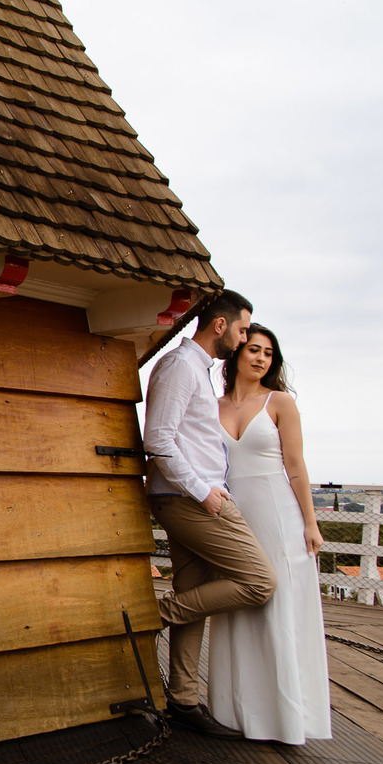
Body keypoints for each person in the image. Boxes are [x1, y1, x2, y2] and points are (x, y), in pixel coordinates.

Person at [143, 289, 276, 738]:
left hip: (191, 497)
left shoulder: (197, 369)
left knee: (195, 592)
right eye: (242, 330)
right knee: (260, 581)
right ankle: (154, 615)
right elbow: (158, 440)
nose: (243, 340)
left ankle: (183, 700)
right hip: (189, 500)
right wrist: (205, 494)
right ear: (220, 325)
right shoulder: (180, 366)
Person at [207, 325, 332, 743]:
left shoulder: (280, 402)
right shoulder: (212, 406)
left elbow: (295, 466)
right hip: (232, 516)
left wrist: (311, 523)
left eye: (268, 353)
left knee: (279, 608)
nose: (261, 358)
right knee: (240, 605)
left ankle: (287, 719)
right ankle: (237, 712)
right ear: (237, 353)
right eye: (254, 350)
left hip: (279, 515)